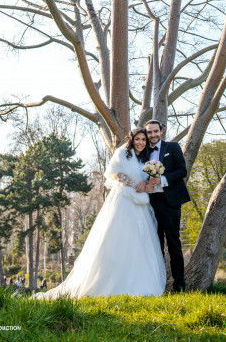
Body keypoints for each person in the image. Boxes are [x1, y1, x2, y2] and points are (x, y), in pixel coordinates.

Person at [34, 128, 166, 299]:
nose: (141, 142)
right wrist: (135, 184)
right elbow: (115, 174)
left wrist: (147, 185)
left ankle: (140, 283)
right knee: (118, 240)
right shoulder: (122, 153)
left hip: (140, 205)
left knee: (140, 241)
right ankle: (109, 283)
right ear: (132, 140)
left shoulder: (146, 159)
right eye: (138, 139)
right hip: (123, 202)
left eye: (143, 140)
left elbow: (146, 184)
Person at [139, 120, 191, 292]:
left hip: (170, 202)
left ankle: (179, 285)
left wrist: (163, 179)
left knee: (174, 244)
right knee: (156, 245)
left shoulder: (172, 147)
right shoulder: (143, 152)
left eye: (155, 131)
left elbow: (182, 171)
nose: (153, 135)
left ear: (161, 131)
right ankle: (158, 285)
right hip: (151, 203)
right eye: (149, 132)